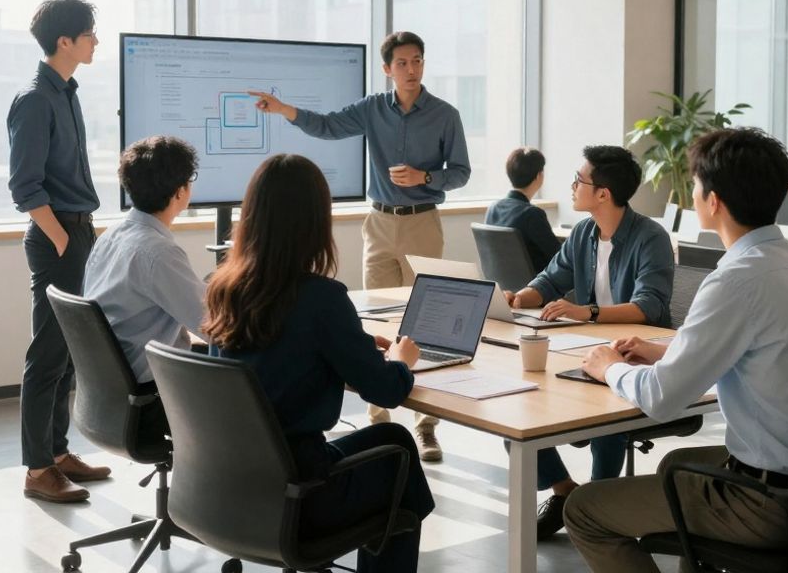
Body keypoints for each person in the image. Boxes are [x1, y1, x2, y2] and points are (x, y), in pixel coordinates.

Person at [565, 127, 788, 571]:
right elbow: (763, 344)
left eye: (696, 186)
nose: (693, 194)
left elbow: (662, 399)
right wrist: (669, 350)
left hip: (767, 501)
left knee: (584, 509)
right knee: (678, 462)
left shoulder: (735, 279)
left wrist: (609, 369)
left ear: (713, 201)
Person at [246, 31, 469, 462]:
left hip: (423, 222)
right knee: (376, 322)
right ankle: (379, 418)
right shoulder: (371, 109)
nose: (411, 69)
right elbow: (328, 126)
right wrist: (283, 110)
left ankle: (427, 427)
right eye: (402, 63)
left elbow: (460, 172)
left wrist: (425, 178)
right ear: (387, 69)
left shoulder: (445, 115)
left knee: (424, 324)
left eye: (417, 61)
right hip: (380, 222)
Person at [205, 154, 434, 573]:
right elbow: (386, 390)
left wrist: (353, 344)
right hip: (299, 493)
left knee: (393, 440)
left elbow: (280, 351)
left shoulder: (226, 288)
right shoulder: (321, 297)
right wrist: (401, 361)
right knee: (399, 464)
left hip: (234, 485)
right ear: (313, 223)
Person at [503, 145, 674, 540]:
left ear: (603, 194)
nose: (573, 186)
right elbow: (549, 280)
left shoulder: (650, 237)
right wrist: (520, 297)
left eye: (580, 180)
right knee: (516, 410)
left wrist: (589, 312)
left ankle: (599, 509)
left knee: (608, 420)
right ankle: (567, 495)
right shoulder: (583, 233)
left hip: (636, 355)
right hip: (584, 348)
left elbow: (649, 307)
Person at [7, 0, 109, 503]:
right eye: (89, 33)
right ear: (64, 40)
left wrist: (83, 232)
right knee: (46, 356)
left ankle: (57, 452)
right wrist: (65, 237)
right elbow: (25, 187)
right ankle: (36, 469)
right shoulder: (35, 99)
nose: (96, 41)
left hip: (78, 233)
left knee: (68, 355)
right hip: (57, 239)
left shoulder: (66, 93)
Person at [83, 136, 206, 442]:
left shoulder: (112, 235)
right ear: (180, 192)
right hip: (152, 402)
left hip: (110, 398)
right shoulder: (157, 252)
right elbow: (215, 328)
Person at [485, 147, 561, 274]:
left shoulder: (493, 208)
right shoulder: (532, 214)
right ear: (539, 176)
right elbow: (559, 256)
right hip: (536, 288)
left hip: (503, 285)